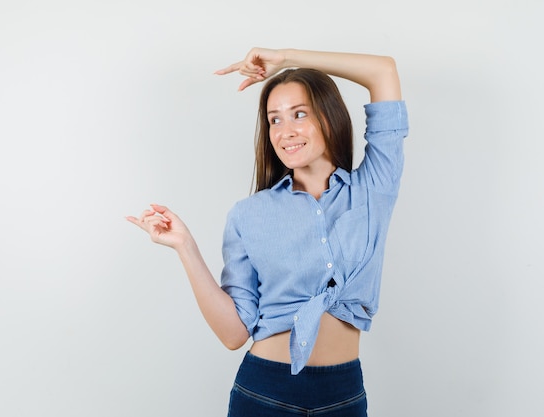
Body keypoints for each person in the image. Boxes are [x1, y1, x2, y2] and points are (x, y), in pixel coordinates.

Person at [127, 47, 409, 417]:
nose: (285, 131)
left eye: (299, 114)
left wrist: (288, 59)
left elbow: (383, 71)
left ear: (330, 116)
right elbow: (233, 335)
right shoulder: (249, 214)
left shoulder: (372, 189)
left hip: (344, 395)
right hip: (264, 393)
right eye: (274, 120)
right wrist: (185, 247)